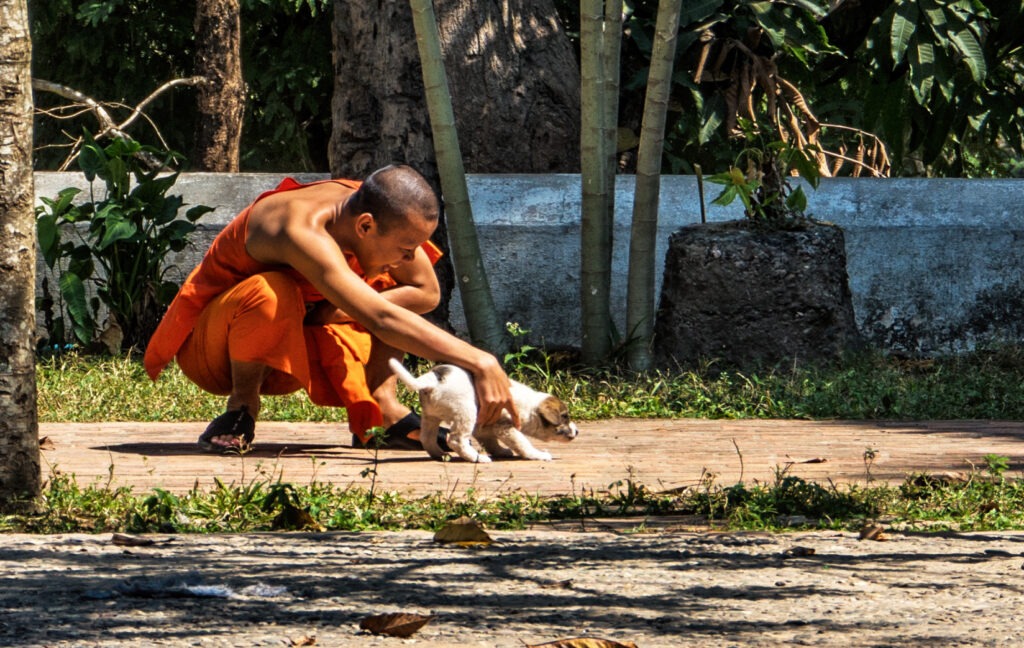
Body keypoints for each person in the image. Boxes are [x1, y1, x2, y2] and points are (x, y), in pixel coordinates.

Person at [143, 165, 518, 452]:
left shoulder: (370, 210)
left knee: (387, 285)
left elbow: (426, 292)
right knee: (272, 289)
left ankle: (383, 407)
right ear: (366, 226)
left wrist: (332, 312)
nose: (411, 257)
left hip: (301, 337)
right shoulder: (299, 228)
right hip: (218, 348)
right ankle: (241, 407)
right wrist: (481, 362)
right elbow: (380, 317)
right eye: (406, 248)